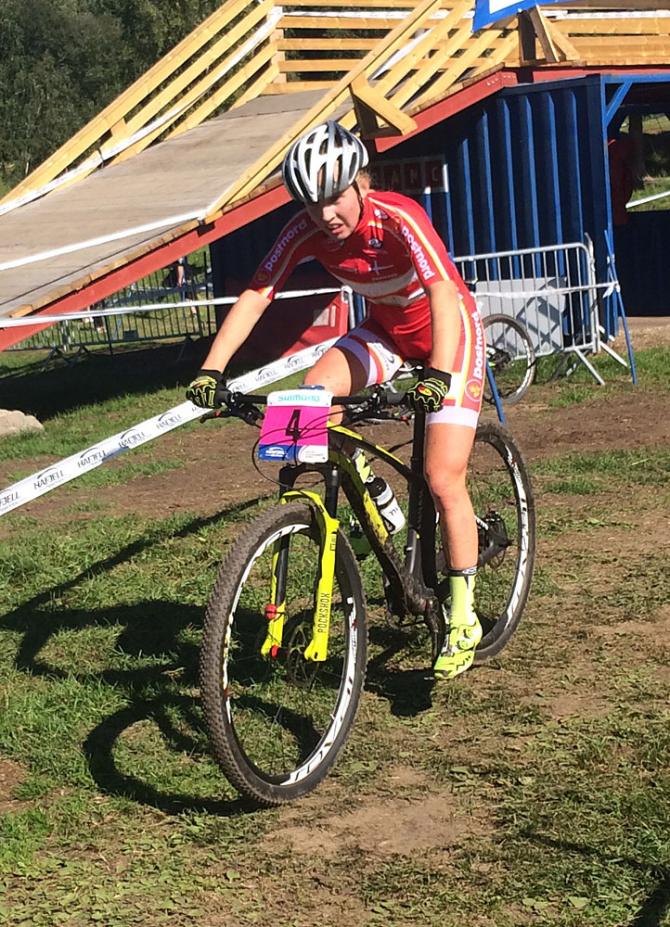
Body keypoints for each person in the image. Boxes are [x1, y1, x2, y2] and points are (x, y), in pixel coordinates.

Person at [186, 121, 486, 679]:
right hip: (388, 332)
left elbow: (443, 292)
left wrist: (439, 374)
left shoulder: (398, 217)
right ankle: (366, 490)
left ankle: (464, 615)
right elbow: (258, 293)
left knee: (441, 475)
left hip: (450, 334)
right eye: (311, 202)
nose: (325, 214)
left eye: (334, 197)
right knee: (309, 398)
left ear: (361, 183)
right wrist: (212, 369)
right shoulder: (304, 230)